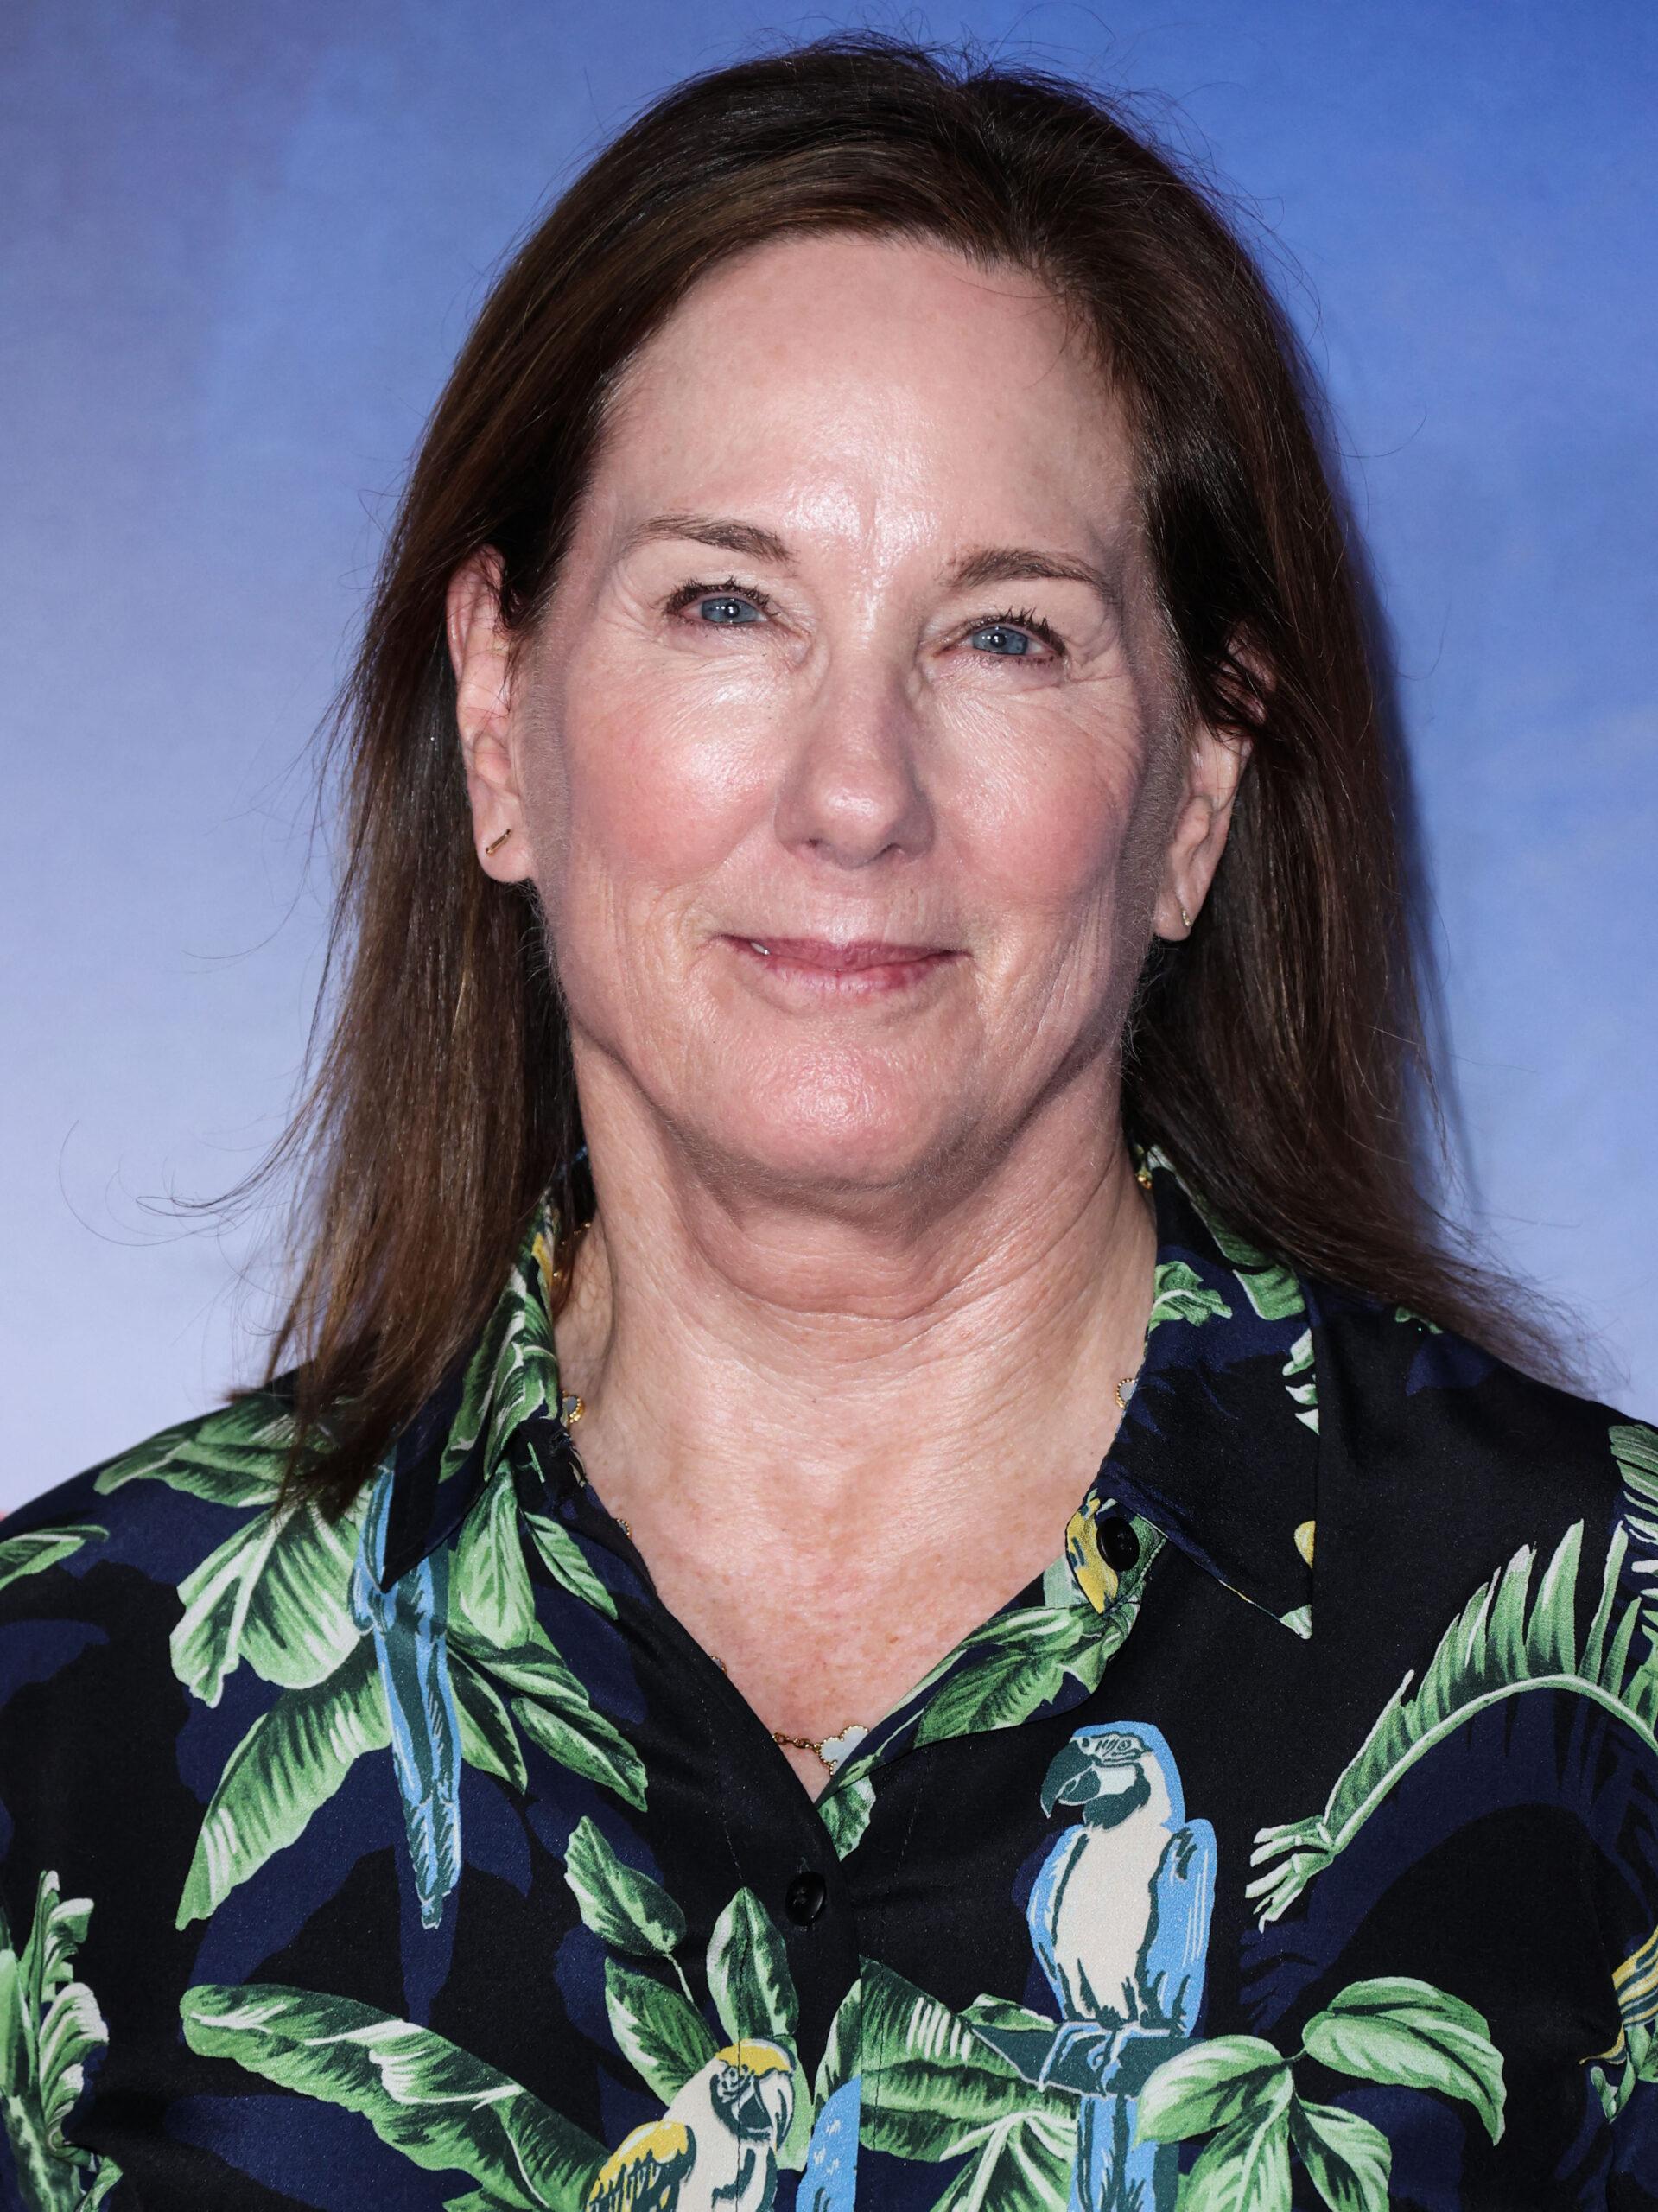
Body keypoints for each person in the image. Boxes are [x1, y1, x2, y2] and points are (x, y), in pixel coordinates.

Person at [2, 29, 1652, 2211]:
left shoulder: (1610, 1676)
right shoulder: (78, 1701)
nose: (856, 791)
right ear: (501, 717)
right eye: (725, 604)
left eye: (1003, 634)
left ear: (1199, 793)